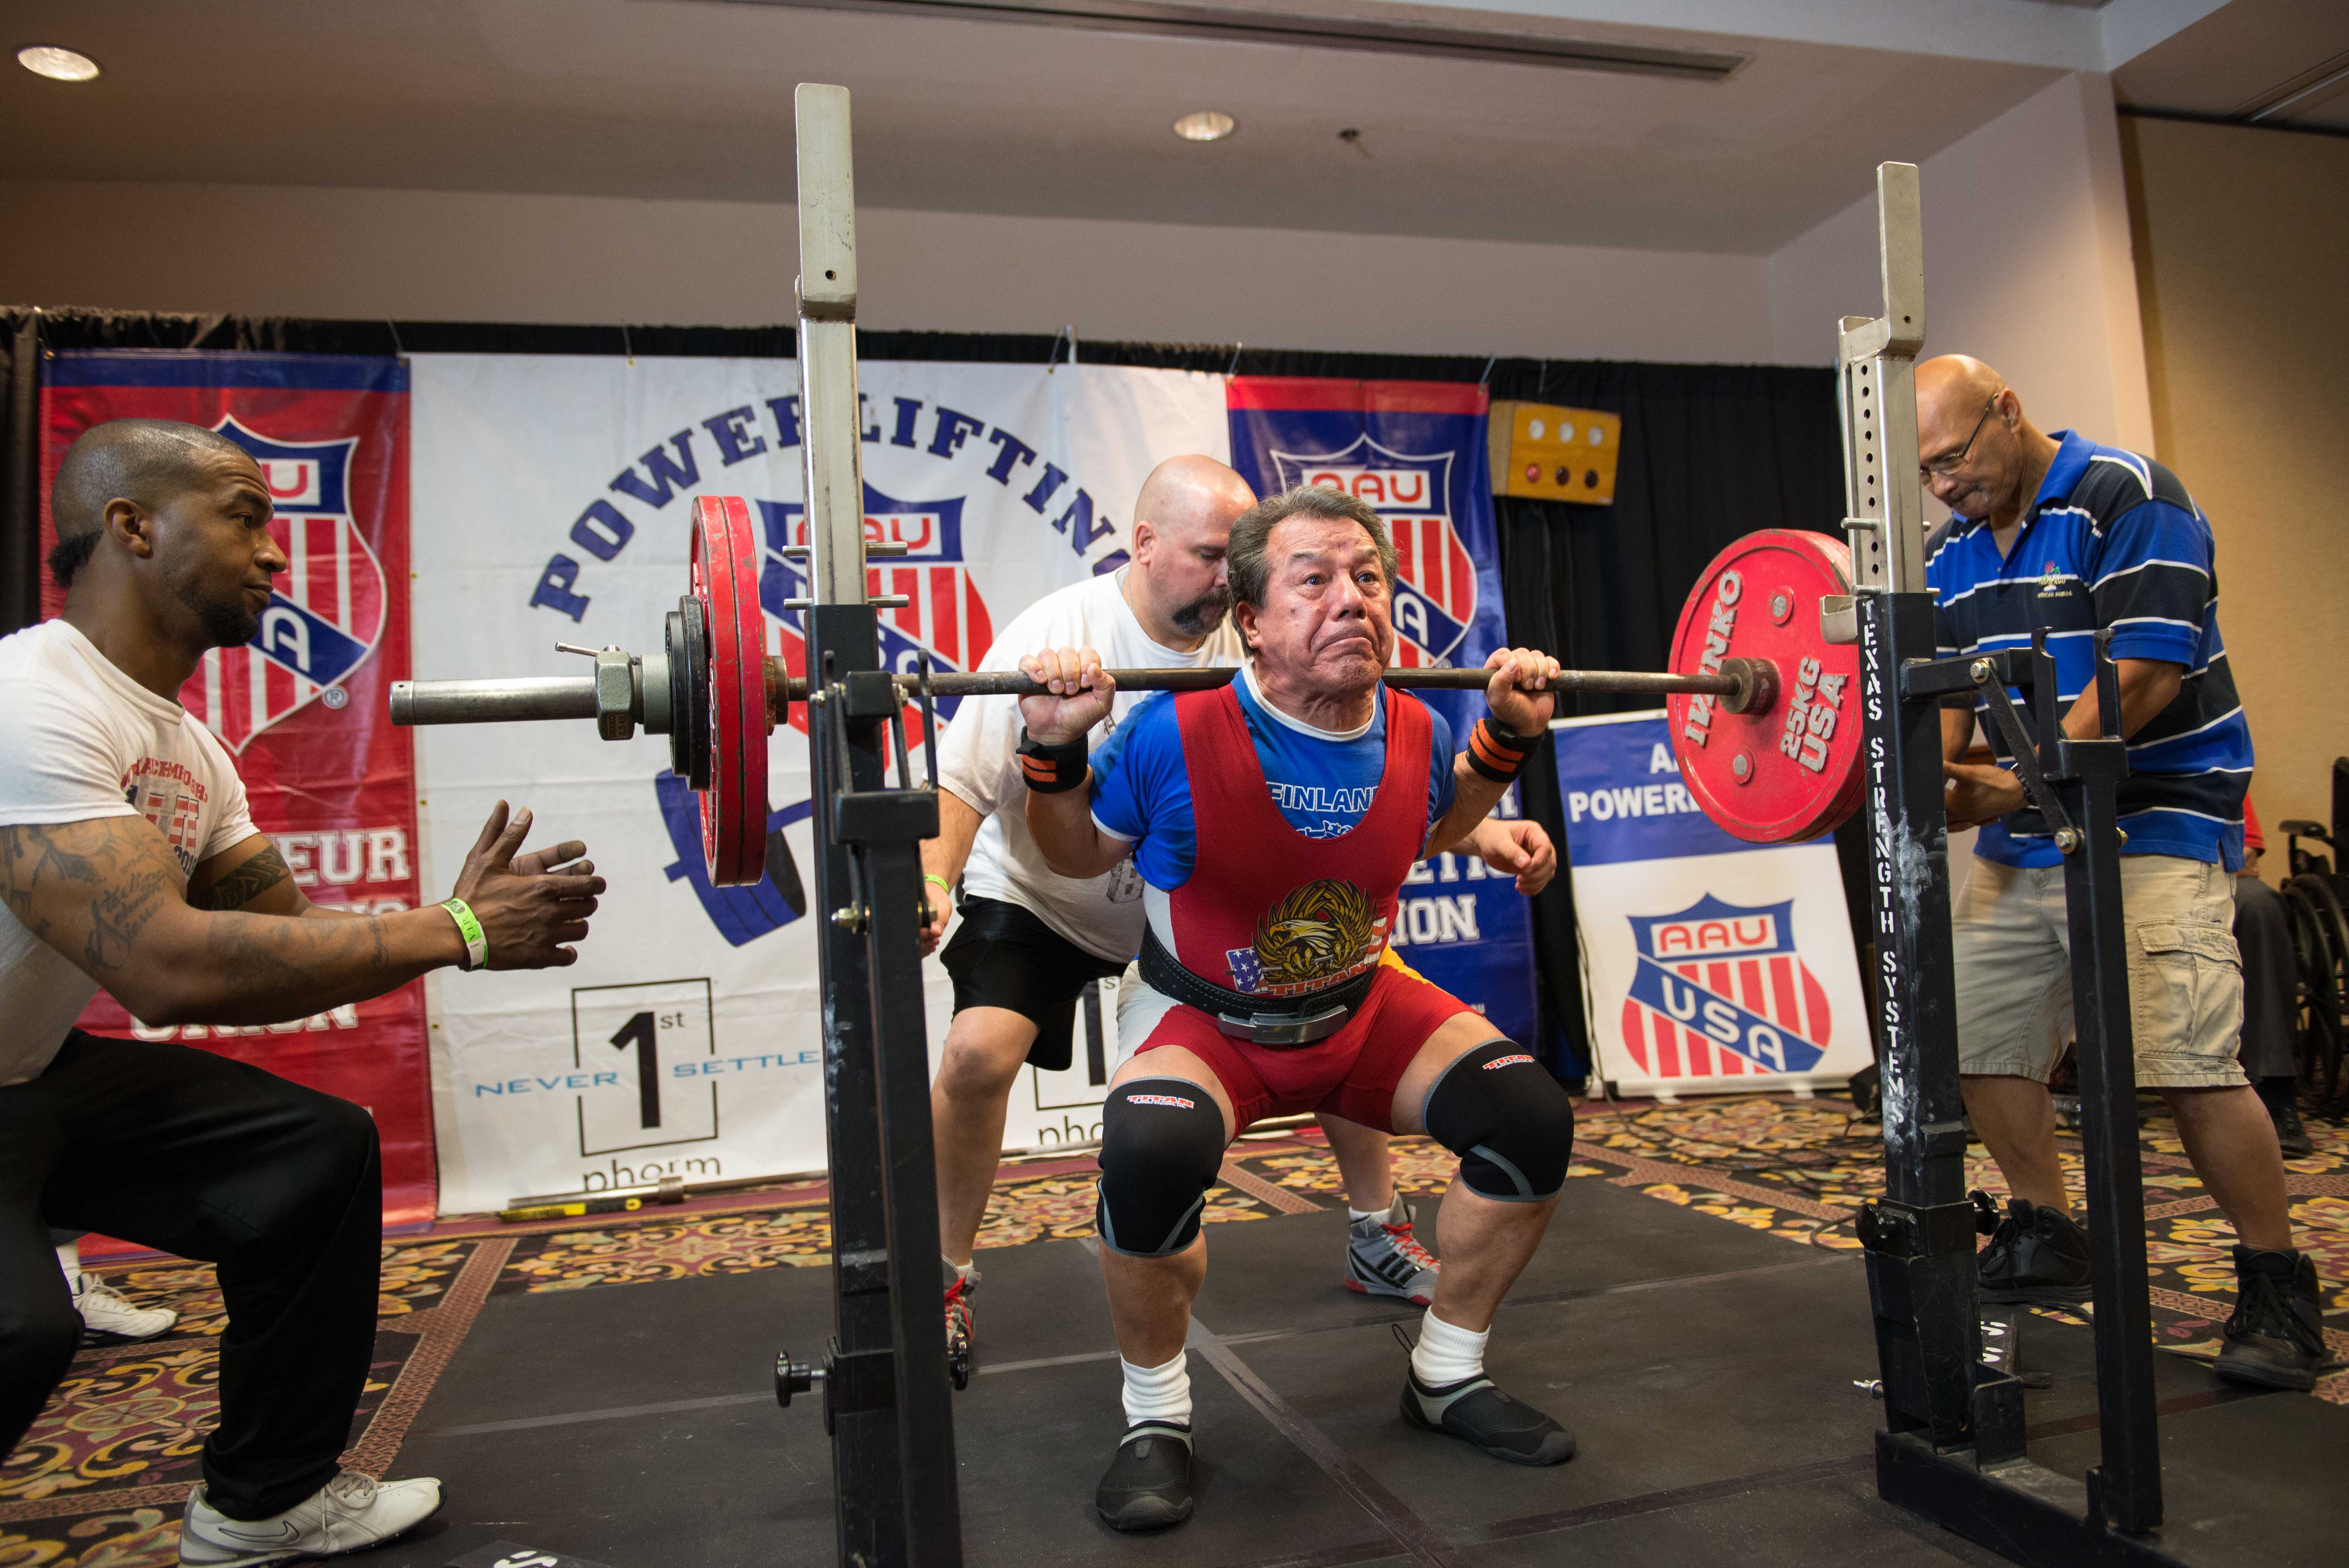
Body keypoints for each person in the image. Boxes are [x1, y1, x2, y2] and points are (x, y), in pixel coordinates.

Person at [0, 420, 604, 1566]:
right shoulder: (31, 698)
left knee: (308, 1152)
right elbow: (164, 966)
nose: (276, 552)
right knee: (23, 1327)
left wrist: (449, 926)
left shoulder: (189, 749)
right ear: (132, 526)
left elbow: (280, 945)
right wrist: (456, 930)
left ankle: (264, 1500)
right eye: (243, 513)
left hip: (25, 1075)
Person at [1019, 484, 1579, 1531]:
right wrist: (1051, 752)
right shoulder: (1171, 735)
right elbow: (1069, 856)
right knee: (1146, 1155)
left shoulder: (1414, 724)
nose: (1351, 600)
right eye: (1313, 581)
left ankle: (1447, 1376)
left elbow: (1426, 825)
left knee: (1531, 1121)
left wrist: (1504, 740)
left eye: (1369, 578)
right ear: (1254, 624)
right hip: (1207, 1026)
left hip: (1360, 1011)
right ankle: (1156, 1416)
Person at [920, 456, 1557, 1365]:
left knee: (1334, 993)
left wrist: (1483, 831)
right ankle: (945, 1271)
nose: (1230, 577)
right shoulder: (1060, 630)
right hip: (1050, 893)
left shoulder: (1254, 634)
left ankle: (1375, 1228)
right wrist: (937, 880)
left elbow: (1359, 787)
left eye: (1241, 563)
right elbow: (960, 783)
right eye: (1212, 555)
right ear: (1144, 546)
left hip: (1195, 893)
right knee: (979, 1055)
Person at [1921, 357, 2322, 1391]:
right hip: (2028, 829)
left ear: (2007, 411)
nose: (1945, 489)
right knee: (1976, 1028)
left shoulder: (2128, 499)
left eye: (1954, 460)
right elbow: (1954, 714)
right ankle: (2048, 1225)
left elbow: (2140, 677)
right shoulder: (1954, 551)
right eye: (1926, 473)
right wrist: (1943, 782)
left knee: (2181, 1058)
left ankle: (2277, 1281)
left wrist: (2007, 784)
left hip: (2156, 814)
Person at [2232, 799, 2312, 1155]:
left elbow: (2247, 853)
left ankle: (2276, 1094)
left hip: (2204, 877)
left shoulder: (2210, 747)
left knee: (2260, 905)